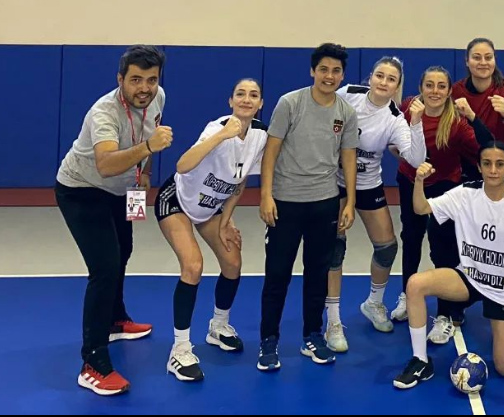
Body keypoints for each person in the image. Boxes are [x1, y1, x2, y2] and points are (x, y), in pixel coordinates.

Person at [55, 45, 172, 396]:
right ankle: (92, 363)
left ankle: (115, 320)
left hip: (122, 190)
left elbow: (149, 134)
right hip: (82, 189)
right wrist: (149, 149)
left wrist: (145, 173)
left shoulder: (158, 97)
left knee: (124, 250)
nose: (144, 88)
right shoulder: (103, 112)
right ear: (120, 79)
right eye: (135, 80)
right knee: (104, 267)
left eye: (151, 79)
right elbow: (105, 164)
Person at [392, 142, 504, 390]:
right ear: (479, 167)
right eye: (487, 164)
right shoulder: (465, 194)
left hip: (503, 290)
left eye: (500, 164)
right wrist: (418, 181)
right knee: (415, 284)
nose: (493, 170)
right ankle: (420, 361)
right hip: (469, 278)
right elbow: (421, 208)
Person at [155, 78, 268, 381]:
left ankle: (218, 326)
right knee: (193, 266)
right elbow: (182, 165)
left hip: (211, 208)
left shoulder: (259, 136)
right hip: (176, 201)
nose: (246, 99)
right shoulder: (215, 128)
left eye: (253, 95)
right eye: (240, 94)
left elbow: (240, 182)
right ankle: (179, 349)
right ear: (230, 101)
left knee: (232, 261)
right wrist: (221, 136)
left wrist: (226, 220)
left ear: (260, 104)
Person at [257, 43, 358, 371]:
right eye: (324, 69)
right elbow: (271, 151)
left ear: (342, 75)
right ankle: (268, 340)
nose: (329, 76)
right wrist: (266, 195)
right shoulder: (290, 103)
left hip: (324, 203)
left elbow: (348, 158)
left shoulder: (346, 112)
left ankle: (312, 335)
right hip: (285, 203)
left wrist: (350, 201)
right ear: (313, 71)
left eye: (336, 71)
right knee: (277, 274)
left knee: (317, 274)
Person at [323, 57, 426, 352]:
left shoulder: (395, 118)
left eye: (391, 79)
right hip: (334, 182)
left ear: (397, 86)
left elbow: (416, 159)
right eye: (380, 75)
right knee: (335, 249)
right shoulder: (348, 94)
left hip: (368, 184)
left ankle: (374, 303)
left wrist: (416, 123)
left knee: (387, 247)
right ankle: (333, 321)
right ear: (370, 77)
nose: (384, 82)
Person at [391, 66, 492, 346]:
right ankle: (407, 294)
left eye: (441, 86)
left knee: (443, 247)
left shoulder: (456, 123)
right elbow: (394, 141)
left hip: (445, 186)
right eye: (429, 85)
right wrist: (400, 153)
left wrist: (473, 118)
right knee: (411, 239)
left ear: (449, 92)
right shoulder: (408, 108)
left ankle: (446, 314)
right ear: (421, 88)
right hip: (410, 182)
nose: (434, 91)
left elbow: (485, 148)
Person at [452, 37, 504, 187]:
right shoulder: (456, 91)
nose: (483, 62)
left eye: (488, 57)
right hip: (471, 165)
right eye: (477, 57)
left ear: (494, 60)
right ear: (467, 61)